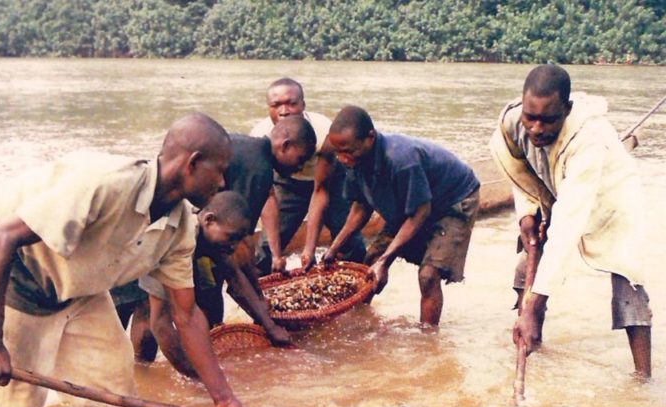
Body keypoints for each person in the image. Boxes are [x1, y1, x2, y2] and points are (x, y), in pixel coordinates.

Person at [0, 113, 249, 407]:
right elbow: (1, 239)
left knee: (118, 389)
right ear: (193, 163)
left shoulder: (180, 227)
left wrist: (222, 397)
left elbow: (186, 315)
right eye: (219, 170)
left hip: (78, 285)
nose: (222, 182)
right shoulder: (107, 185)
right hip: (15, 275)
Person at [489, 64, 652, 377]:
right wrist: (526, 212)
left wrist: (537, 302)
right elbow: (518, 168)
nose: (536, 128)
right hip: (552, 188)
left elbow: (568, 224)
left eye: (548, 120)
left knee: (627, 275)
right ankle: (529, 332)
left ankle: (642, 377)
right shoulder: (512, 122)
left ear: (567, 109)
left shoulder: (588, 140)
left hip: (610, 196)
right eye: (530, 117)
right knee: (527, 263)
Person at [142, 117, 317, 371]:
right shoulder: (260, 169)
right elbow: (234, 247)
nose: (300, 167)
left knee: (150, 309)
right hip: (162, 237)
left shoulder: (246, 147)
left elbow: (231, 245)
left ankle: (145, 371)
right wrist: (266, 320)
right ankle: (183, 369)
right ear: (286, 145)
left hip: (169, 226)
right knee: (167, 311)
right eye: (300, 159)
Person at [322, 106, 480, 328]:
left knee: (428, 275)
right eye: (338, 152)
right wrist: (333, 249)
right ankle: (359, 323)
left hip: (452, 200)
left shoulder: (402, 160)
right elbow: (360, 208)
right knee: (368, 265)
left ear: (370, 138)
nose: (343, 159)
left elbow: (420, 213)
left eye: (348, 152)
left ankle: (428, 341)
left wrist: (386, 261)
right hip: (415, 202)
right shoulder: (353, 160)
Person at [250, 77, 365, 274]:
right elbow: (266, 196)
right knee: (266, 251)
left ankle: (358, 293)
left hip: (330, 184)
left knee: (352, 244)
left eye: (292, 103)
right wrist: (277, 255)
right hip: (287, 185)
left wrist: (309, 249)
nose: (284, 111)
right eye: (276, 105)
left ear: (303, 105)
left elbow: (320, 191)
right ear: (268, 108)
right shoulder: (260, 138)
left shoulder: (324, 133)